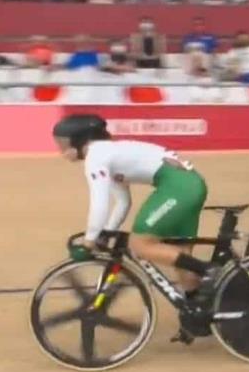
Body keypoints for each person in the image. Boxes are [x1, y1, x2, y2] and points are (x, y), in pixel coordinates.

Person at [53, 114, 218, 337]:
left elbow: (99, 202)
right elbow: (122, 201)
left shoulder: (96, 155)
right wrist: (106, 231)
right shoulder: (108, 152)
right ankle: (198, 315)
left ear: (81, 140)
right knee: (180, 259)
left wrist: (90, 241)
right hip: (188, 184)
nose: (61, 150)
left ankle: (209, 270)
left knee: (140, 244)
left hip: (178, 188)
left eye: (63, 143)